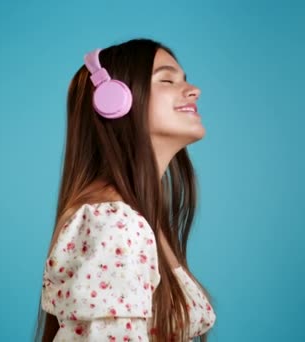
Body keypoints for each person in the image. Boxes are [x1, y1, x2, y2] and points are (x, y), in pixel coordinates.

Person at [34, 38, 216, 342]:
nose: (193, 90)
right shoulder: (114, 223)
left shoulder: (136, 218)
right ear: (113, 100)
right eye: (167, 80)